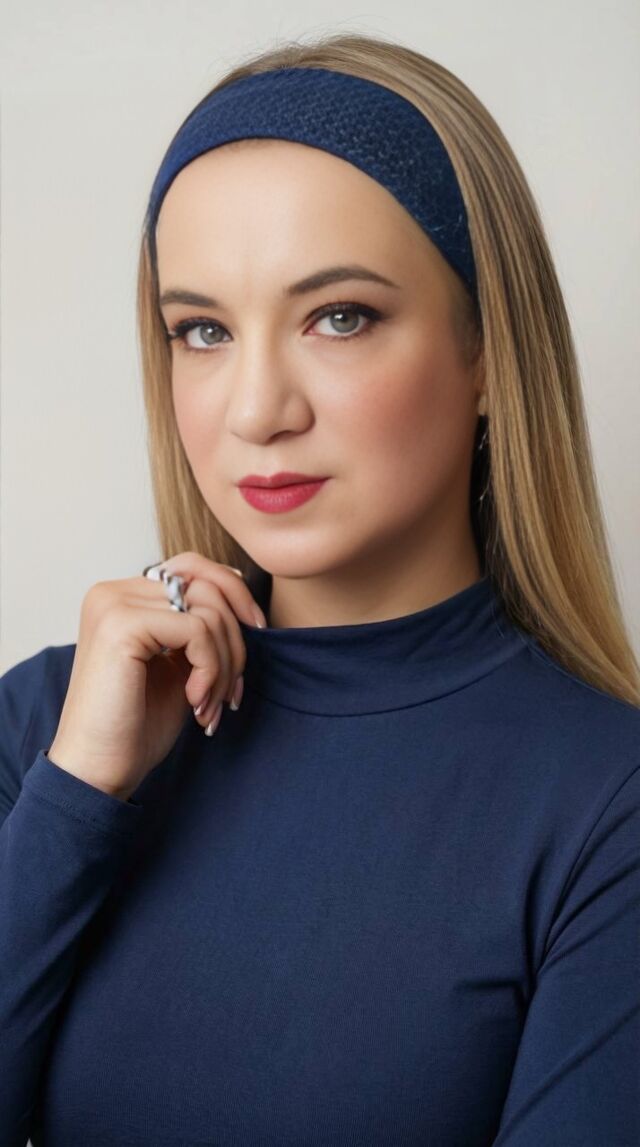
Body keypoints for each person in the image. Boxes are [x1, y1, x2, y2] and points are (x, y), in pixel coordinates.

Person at [1, 31, 639, 1147]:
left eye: (339, 316)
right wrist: (76, 797)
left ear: (489, 351)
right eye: (202, 330)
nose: (257, 410)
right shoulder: (49, 727)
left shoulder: (607, 809)